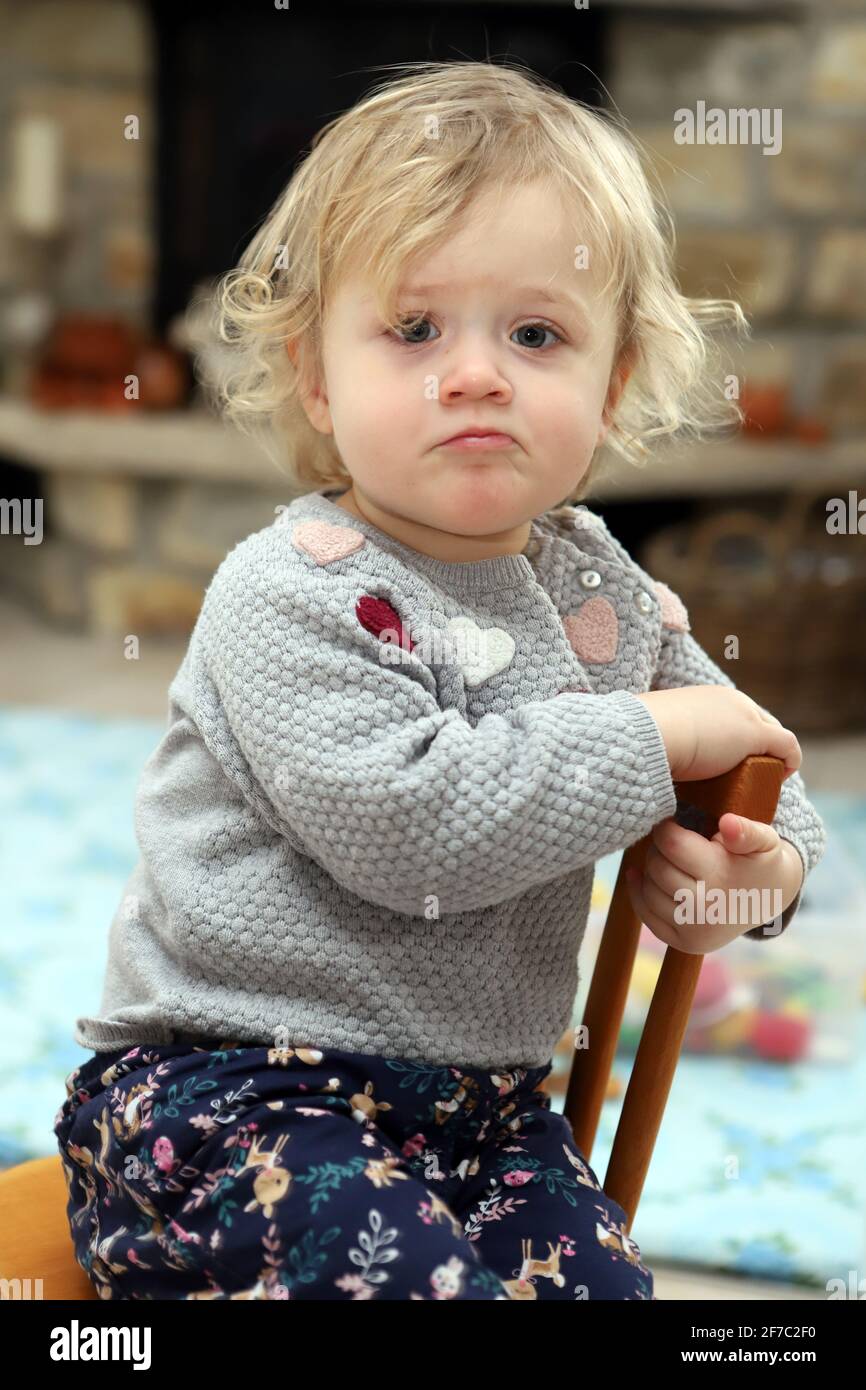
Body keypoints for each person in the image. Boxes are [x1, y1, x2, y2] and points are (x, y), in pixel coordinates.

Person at [54, 59, 826, 1301]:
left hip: (489, 1114)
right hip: (231, 1095)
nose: (475, 373)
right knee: (407, 1277)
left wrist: (752, 873)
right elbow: (415, 834)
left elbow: (752, 764)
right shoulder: (288, 589)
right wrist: (647, 737)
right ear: (317, 374)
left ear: (611, 381)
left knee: (606, 1292)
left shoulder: (601, 592)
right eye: (413, 330)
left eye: (535, 333)